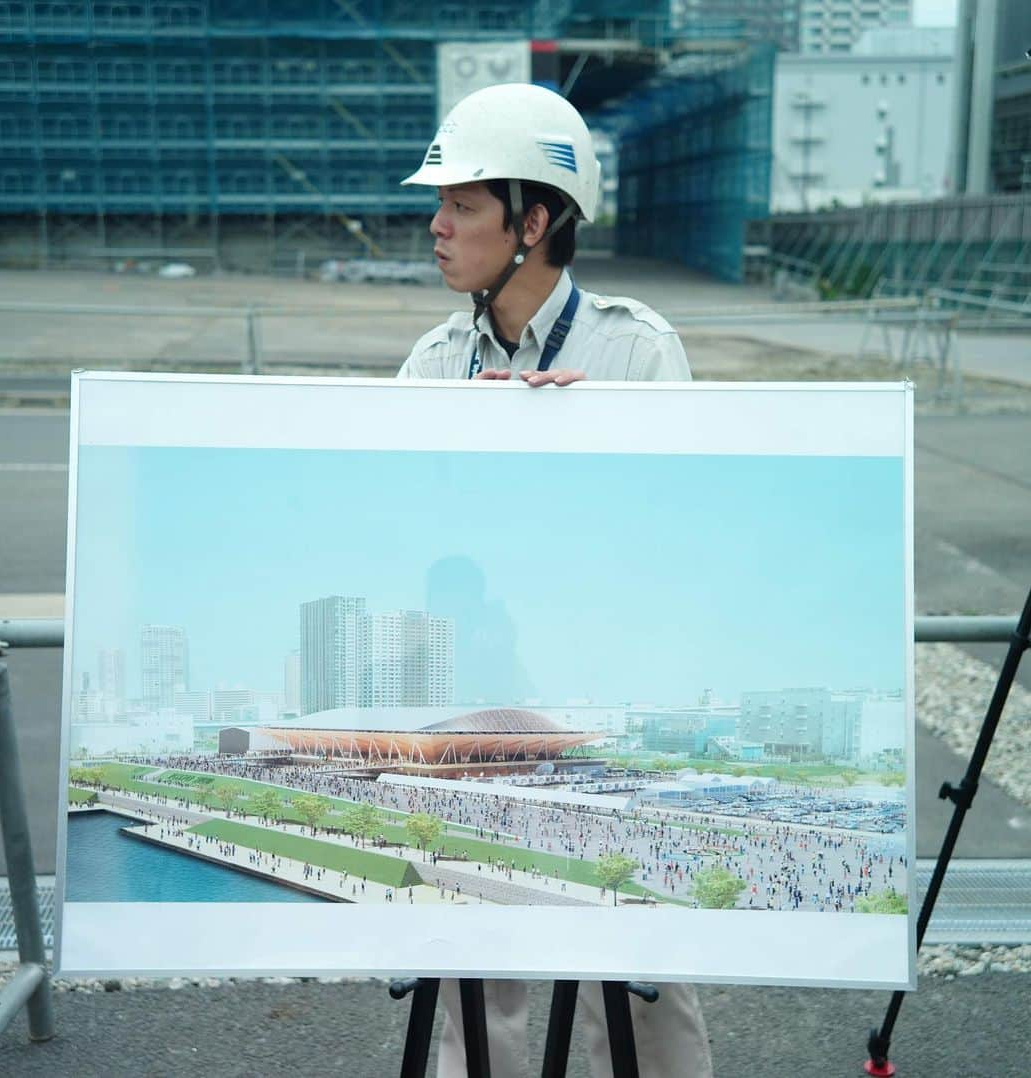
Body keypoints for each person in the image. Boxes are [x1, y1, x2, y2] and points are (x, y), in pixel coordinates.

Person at [396, 83, 712, 1078]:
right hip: (475, 722)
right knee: (471, 984)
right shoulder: (430, 365)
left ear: (534, 223)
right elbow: (401, 545)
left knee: (645, 976)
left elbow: (683, 541)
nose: (437, 226)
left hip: (606, 724)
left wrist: (586, 444)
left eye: (463, 206)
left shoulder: (636, 350)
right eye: (438, 204)